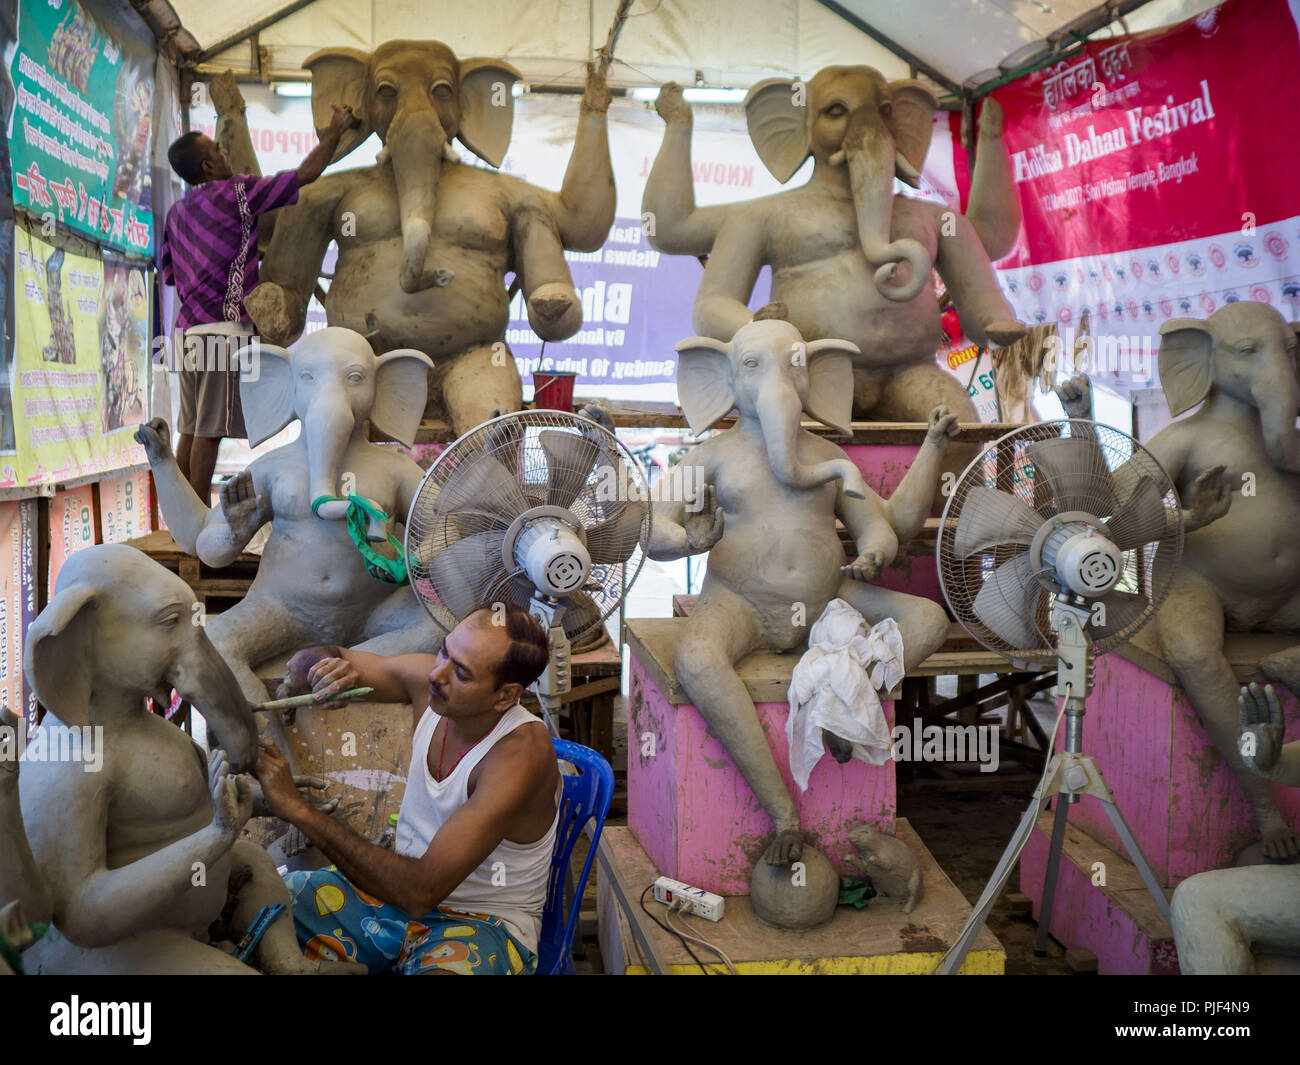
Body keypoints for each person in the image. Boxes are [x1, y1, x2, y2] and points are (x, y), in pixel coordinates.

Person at [254, 603, 560, 975]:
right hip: (392, 904)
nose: (438, 674)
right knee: (264, 899)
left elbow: (420, 892)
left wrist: (299, 810)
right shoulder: (426, 679)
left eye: (461, 672)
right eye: (445, 651)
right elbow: (317, 659)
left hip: (482, 924)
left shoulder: (519, 754)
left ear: (505, 696)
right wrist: (319, 669)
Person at [158, 103, 358, 501]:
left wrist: (237, 254)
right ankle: (196, 521)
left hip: (187, 334)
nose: (225, 153)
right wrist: (336, 130)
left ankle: (178, 517)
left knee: (192, 427)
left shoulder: (177, 213)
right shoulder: (238, 194)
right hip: (223, 332)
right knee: (210, 431)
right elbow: (305, 176)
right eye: (218, 150)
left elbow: (168, 273)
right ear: (209, 166)